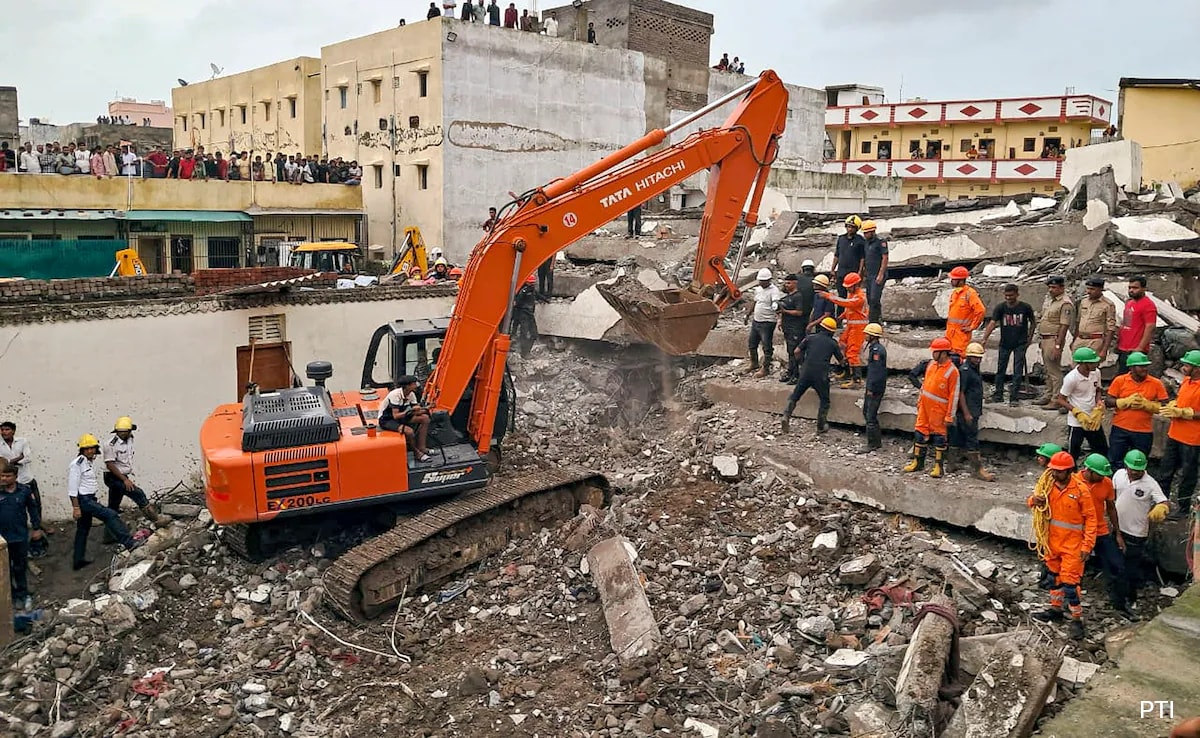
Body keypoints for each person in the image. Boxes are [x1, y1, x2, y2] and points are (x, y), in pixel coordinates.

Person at [1028, 451, 1096, 640]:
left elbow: (1091, 519)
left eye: (1058, 471)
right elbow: (1032, 502)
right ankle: (1055, 610)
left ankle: (1077, 619)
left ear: (1068, 471)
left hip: (1073, 546)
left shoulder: (1081, 491)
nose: (1054, 474)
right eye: (1053, 471)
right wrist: (1034, 500)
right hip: (1052, 542)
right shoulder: (1047, 486)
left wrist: (1087, 546)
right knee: (1054, 579)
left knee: (1070, 585)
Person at [70, 434, 142, 571]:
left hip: (89, 498)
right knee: (110, 515)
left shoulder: (87, 462)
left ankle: (78, 560)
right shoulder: (77, 464)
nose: (90, 451)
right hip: (85, 500)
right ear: (82, 450)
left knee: (83, 530)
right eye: (87, 449)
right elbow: (72, 488)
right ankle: (130, 543)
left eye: (92, 448)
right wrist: (76, 507)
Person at [1075, 453, 1130, 618]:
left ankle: (1120, 604)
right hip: (1078, 531)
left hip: (1099, 530)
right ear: (1089, 471)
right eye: (1099, 474)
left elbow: (1111, 508)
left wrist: (1118, 533)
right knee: (1071, 568)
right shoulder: (1073, 482)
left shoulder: (1105, 483)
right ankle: (1067, 603)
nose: (1103, 478)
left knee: (1117, 566)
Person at [1113, 449, 1168, 610]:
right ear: (1126, 466)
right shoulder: (1118, 475)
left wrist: (1161, 508)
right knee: (1116, 565)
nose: (1136, 473)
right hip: (1118, 528)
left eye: (1139, 470)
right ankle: (1116, 597)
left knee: (1130, 568)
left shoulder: (1150, 484)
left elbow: (1163, 501)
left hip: (1136, 533)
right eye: (1133, 469)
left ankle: (1130, 599)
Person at [902, 337, 960, 478]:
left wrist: (949, 416)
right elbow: (925, 385)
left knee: (939, 437)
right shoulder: (931, 365)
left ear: (943, 353)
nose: (933, 354)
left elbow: (954, 395)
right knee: (920, 433)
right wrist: (920, 401)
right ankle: (918, 462)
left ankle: (938, 467)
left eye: (935, 351)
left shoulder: (952, 372)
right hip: (925, 407)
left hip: (939, 409)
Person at [102, 417, 167, 539]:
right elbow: (110, 465)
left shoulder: (130, 439)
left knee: (113, 507)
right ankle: (157, 520)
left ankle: (108, 536)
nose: (122, 434)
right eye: (120, 432)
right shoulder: (110, 444)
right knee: (138, 494)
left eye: (125, 432)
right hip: (113, 477)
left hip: (122, 475)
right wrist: (124, 480)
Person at [780, 317, 846, 434]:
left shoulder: (810, 338)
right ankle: (821, 425)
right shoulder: (832, 343)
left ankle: (786, 416)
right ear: (832, 331)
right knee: (824, 400)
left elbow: (796, 351)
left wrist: (800, 363)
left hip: (806, 371)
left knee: (795, 396)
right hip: (820, 374)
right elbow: (842, 361)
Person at [1105, 352, 1168, 470]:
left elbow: (1166, 406)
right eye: (1141, 366)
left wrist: (1148, 405)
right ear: (1131, 368)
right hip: (1120, 429)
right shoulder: (1120, 380)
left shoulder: (1156, 383)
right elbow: (1108, 401)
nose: (1145, 369)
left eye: (1146, 366)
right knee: (1115, 461)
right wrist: (1122, 402)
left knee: (1139, 463)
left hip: (1143, 431)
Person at [980, 283, 1035, 406]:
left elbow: (1033, 323)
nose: (1008, 298)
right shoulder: (1001, 308)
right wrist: (984, 339)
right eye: (1006, 295)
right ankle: (998, 395)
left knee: (1017, 371)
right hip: (1005, 343)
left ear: (1017, 294)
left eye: (1011, 295)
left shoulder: (1025, 307)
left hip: (1020, 343)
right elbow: (993, 323)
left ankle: (1014, 398)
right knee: (1000, 369)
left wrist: (1029, 339)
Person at [1158, 350, 1200, 511]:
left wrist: (1186, 413)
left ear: (1197, 368)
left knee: (1187, 475)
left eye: (1187, 365)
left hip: (1192, 439)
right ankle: (1161, 503)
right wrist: (1175, 405)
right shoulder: (1187, 381)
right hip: (1174, 434)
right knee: (1165, 471)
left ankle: (1183, 508)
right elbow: (1183, 399)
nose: (1183, 367)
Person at [0, 422, 45, 557]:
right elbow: (4, 463)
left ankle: (37, 532)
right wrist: (17, 458)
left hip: (26, 480)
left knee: (35, 507)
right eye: (2, 430)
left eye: (7, 429)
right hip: (8, 485)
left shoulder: (22, 441)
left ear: (13, 431)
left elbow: (27, 458)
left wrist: (9, 462)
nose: (4, 432)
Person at [0, 461, 40, 610]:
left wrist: (36, 528)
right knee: (5, 569)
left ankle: (23, 594)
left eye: (7, 476)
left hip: (20, 536)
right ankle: (11, 596)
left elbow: (33, 510)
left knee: (19, 567)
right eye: (2, 475)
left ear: (15, 477)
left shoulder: (24, 491)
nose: (4, 479)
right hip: (2, 540)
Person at [1057, 347, 1108, 459]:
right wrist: (1076, 411)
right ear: (1084, 364)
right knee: (1073, 453)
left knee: (1102, 450)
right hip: (1077, 422)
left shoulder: (1096, 373)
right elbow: (1060, 399)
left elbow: (1098, 389)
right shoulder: (1071, 378)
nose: (1096, 364)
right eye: (1093, 362)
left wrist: (1099, 402)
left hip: (1093, 419)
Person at [955, 343, 994, 481]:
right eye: (975, 357)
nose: (978, 360)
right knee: (972, 439)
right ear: (969, 357)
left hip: (974, 409)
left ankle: (954, 463)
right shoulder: (965, 371)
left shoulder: (974, 369)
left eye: (979, 357)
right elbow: (961, 393)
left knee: (962, 437)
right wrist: (966, 413)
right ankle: (977, 470)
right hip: (968, 410)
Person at [1035, 276, 1074, 406]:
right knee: (1047, 369)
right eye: (1050, 287)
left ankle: (1057, 399)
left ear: (1062, 288)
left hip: (1053, 338)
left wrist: (1058, 345)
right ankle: (1048, 394)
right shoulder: (1049, 300)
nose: (1051, 290)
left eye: (1054, 287)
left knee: (1054, 370)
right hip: (1045, 338)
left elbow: (1064, 325)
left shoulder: (1065, 303)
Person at [824, 272, 868, 389]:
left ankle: (856, 380)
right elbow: (849, 308)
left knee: (852, 352)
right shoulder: (851, 294)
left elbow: (846, 303)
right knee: (842, 345)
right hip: (851, 326)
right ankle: (847, 372)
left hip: (859, 327)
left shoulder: (860, 297)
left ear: (856, 285)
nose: (847, 289)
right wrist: (841, 317)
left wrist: (829, 296)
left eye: (849, 286)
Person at [377, 376, 433, 462]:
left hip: (402, 415)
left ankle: (422, 447)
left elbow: (416, 410)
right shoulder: (395, 395)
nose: (416, 385)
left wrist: (426, 408)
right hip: (387, 419)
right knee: (409, 431)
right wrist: (410, 411)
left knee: (425, 418)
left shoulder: (411, 394)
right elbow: (395, 416)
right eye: (414, 384)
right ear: (407, 386)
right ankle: (417, 453)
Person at [1116, 276, 1157, 372]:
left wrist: (1140, 347)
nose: (1131, 290)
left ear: (1144, 289)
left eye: (1135, 288)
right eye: (1130, 288)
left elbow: (1150, 327)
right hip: (1124, 347)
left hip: (1135, 349)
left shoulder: (1148, 305)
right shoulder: (1129, 303)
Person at [746, 268, 781, 379]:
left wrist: (780, 319)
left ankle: (765, 368)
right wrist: (747, 314)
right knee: (752, 344)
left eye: (763, 281)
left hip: (767, 322)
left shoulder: (774, 291)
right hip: (756, 321)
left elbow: (777, 305)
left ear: (768, 280)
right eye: (759, 281)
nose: (760, 283)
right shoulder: (758, 289)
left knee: (767, 346)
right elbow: (755, 302)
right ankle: (754, 363)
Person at [944, 266, 986, 358]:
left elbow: (980, 310)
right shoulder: (955, 293)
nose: (951, 281)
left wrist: (972, 327)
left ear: (961, 280)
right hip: (950, 333)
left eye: (953, 279)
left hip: (961, 334)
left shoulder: (970, 294)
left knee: (959, 357)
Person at [1072, 276, 1117, 362]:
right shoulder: (1084, 301)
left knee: (1091, 368)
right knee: (1076, 368)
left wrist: (1104, 350)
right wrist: (1074, 340)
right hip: (1080, 339)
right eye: (1088, 288)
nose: (1089, 291)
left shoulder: (1107, 304)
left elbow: (1111, 329)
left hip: (1095, 341)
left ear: (1100, 289)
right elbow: (1078, 321)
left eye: (1092, 289)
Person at [860, 323, 887, 453]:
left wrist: (871, 388)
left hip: (875, 387)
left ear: (872, 336)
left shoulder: (877, 351)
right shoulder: (874, 348)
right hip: (873, 385)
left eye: (867, 334)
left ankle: (873, 444)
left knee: (870, 415)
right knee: (867, 412)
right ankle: (876, 441)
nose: (865, 336)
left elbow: (876, 372)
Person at [776, 274, 807, 384]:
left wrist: (785, 312)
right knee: (790, 352)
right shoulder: (787, 297)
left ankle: (796, 375)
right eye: (785, 283)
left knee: (795, 352)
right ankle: (790, 372)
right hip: (787, 328)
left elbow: (799, 312)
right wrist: (780, 319)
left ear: (795, 283)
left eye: (789, 283)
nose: (786, 285)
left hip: (796, 329)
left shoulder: (798, 296)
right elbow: (781, 311)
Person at [831, 216, 866, 300]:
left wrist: (860, 271)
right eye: (848, 226)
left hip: (853, 272)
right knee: (841, 295)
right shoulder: (841, 239)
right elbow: (837, 255)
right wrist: (832, 269)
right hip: (841, 271)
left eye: (852, 227)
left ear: (857, 229)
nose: (850, 229)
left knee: (852, 296)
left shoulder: (860, 240)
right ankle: (840, 313)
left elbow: (862, 257)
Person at [861, 220, 888, 324]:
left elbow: (885, 258)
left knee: (874, 298)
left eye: (866, 233)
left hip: (878, 274)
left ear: (872, 232)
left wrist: (881, 274)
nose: (865, 235)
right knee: (869, 298)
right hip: (869, 274)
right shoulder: (866, 243)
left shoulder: (881, 242)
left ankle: (873, 321)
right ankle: (878, 317)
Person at [511, 274, 539, 358]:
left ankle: (526, 351)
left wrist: (545, 299)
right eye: (531, 283)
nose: (532, 285)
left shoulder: (531, 289)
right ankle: (524, 353)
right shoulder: (524, 291)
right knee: (524, 334)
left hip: (530, 314)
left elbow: (536, 295)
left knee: (534, 334)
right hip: (524, 314)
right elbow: (517, 303)